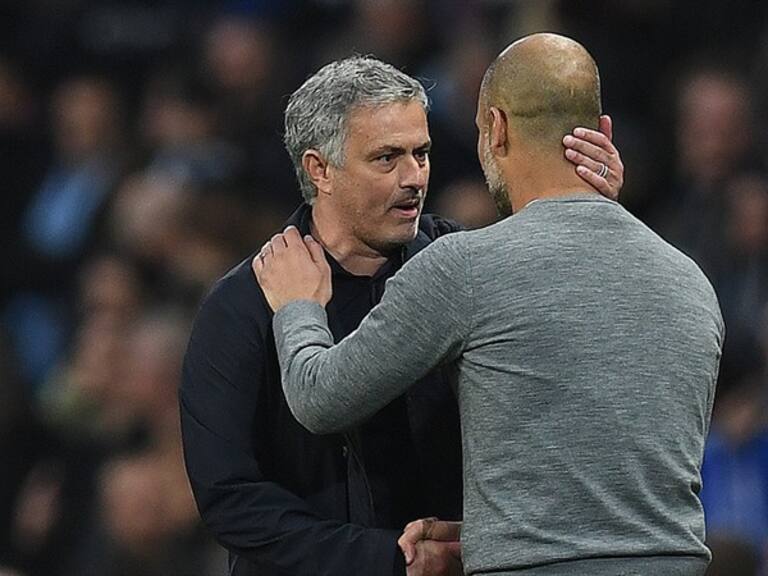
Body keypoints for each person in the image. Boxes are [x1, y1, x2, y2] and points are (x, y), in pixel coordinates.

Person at [255, 34, 723, 576]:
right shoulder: (689, 279)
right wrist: (493, 531)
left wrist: (297, 307)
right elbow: (613, 457)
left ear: (496, 128)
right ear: (601, 133)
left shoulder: (467, 269)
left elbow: (320, 398)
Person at [180, 55, 624, 576]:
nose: (414, 178)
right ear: (319, 169)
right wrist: (390, 561)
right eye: (387, 158)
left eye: (422, 153)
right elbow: (231, 498)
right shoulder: (243, 304)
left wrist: (591, 214)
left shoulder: (465, 266)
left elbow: (569, 342)